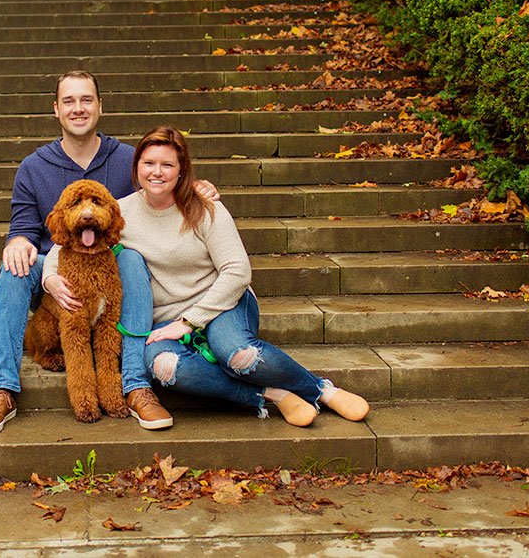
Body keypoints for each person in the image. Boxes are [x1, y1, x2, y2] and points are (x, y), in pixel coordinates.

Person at [44, 126, 370, 426]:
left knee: (239, 356)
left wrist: (189, 322)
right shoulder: (119, 212)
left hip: (222, 303)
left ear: (182, 170)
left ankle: (320, 389)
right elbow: (68, 243)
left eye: (167, 165)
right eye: (149, 163)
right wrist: (50, 279)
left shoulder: (204, 208)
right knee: (163, 367)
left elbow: (237, 271)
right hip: (165, 321)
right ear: (137, 168)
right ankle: (273, 395)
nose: (157, 172)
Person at [0, 72, 216, 435]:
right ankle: (1, 390)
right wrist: (19, 242)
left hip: (107, 263)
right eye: (69, 101)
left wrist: (194, 187)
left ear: (100, 106)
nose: (78, 108)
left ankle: (134, 385)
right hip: (51, 267)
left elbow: (160, 186)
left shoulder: (128, 161)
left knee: (131, 257)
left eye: (86, 100)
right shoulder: (33, 167)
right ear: (56, 109)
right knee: (15, 267)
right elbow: (22, 226)